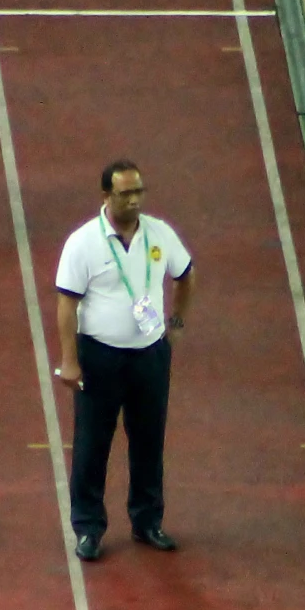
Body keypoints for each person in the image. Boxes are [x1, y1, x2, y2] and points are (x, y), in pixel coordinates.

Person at [52, 160, 194, 560]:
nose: (134, 200)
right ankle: (88, 528)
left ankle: (148, 521)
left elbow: (185, 274)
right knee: (92, 443)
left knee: (149, 440)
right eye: (125, 194)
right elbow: (67, 304)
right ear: (106, 196)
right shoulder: (83, 243)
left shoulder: (159, 234)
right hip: (99, 356)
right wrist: (70, 360)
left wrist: (177, 322)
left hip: (149, 354)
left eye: (138, 192)